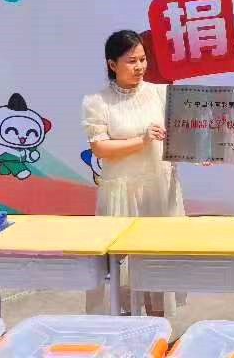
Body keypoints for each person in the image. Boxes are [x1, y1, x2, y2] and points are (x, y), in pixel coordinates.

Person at [82, 30, 185, 316]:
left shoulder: (161, 94)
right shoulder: (97, 102)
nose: (139, 67)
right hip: (120, 194)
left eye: (142, 59)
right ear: (112, 64)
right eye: (131, 61)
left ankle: (158, 328)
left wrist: (200, 151)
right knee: (121, 269)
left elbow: (182, 134)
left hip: (159, 191)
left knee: (158, 262)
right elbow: (100, 148)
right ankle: (125, 329)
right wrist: (142, 140)